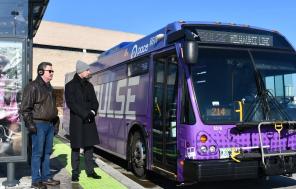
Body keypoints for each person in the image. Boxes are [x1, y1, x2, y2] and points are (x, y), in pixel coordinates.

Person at [20, 62, 60, 189]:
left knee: (47, 152)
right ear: (41, 72)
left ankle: (46, 177)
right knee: (37, 153)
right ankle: (36, 180)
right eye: (50, 71)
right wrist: (30, 125)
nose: (52, 73)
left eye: (52, 71)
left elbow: (52, 107)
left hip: (49, 125)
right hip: (38, 124)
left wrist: (56, 121)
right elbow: (25, 109)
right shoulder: (32, 87)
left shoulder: (49, 87)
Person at [65, 60, 101, 182]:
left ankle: (90, 171)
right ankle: (75, 172)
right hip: (77, 121)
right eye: (87, 70)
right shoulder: (70, 86)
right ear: (81, 71)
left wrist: (93, 112)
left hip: (89, 120)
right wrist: (85, 113)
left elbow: (95, 102)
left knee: (89, 147)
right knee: (75, 147)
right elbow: (71, 104)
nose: (89, 72)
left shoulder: (89, 86)